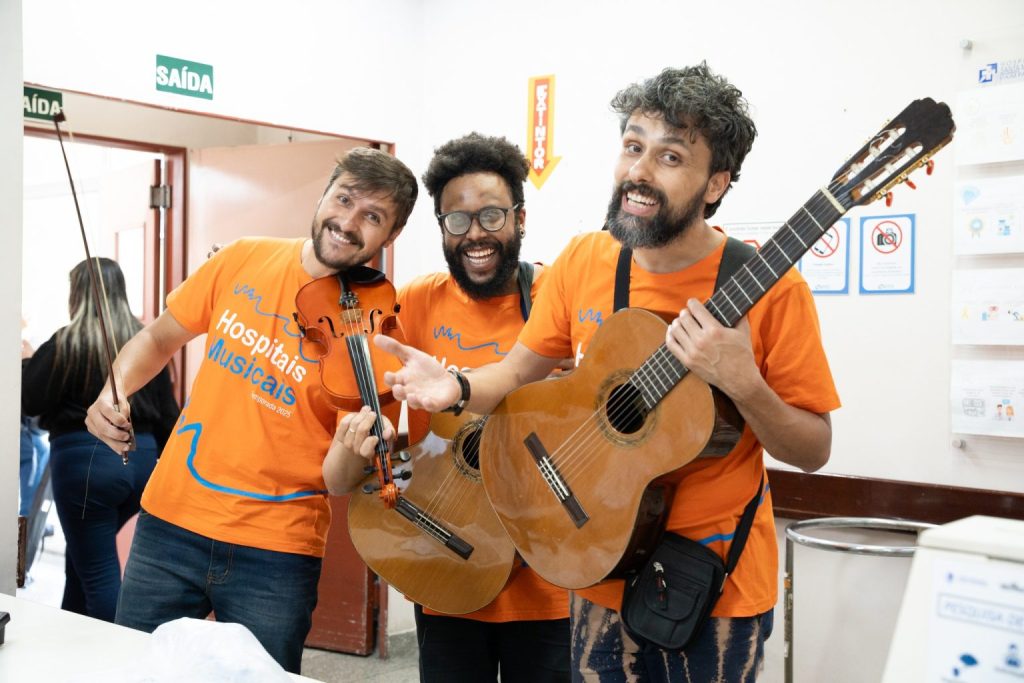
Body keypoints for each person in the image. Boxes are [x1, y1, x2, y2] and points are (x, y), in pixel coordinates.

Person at [374, 63, 840, 681]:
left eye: (670, 156)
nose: (639, 171)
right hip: (595, 568)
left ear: (715, 183)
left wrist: (744, 382)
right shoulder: (586, 259)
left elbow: (813, 449)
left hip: (714, 589)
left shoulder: (772, 290)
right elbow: (515, 374)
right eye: (633, 146)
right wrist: (456, 386)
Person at [85, 147, 419, 674]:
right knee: (138, 672)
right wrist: (113, 389)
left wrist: (352, 447)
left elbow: (337, 481)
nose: (348, 222)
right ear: (323, 196)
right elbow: (158, 338)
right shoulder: (242, 257)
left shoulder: (378, 336)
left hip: (278, 551)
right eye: (344, 199)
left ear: (391, 234)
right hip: (170, 523)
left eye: (372, 216)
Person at [325, 133, 571, 681]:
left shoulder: (559, 298)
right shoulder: (415, 301)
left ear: (520, 218)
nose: (474, 234)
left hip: (547, 579)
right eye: (456, 220)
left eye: (491, 215)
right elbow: (359, 439)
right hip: (446, 559)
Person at [22, 258, 178, 622]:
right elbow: (168, 418)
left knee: (97, 572)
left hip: (85, 466)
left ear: (77, 294)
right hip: (140, 465)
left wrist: (28, 362)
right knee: (83, 560)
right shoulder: (145, 344)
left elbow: (30, 401)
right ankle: (71, 637)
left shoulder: (67, 342)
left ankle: (119, 649)